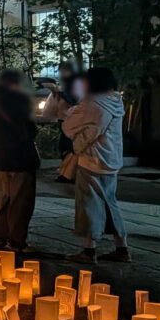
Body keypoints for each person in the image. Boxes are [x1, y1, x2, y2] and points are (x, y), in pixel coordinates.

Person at [63, 67, 130, 263]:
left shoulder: (92, 104)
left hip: (92, 159)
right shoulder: (115, 101)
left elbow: (68, 125)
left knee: (88, 205)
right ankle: (122, 248)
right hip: (111, 159)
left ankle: (89, 251)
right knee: (110, 203)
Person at [0, 70, 40, 253]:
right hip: (21, 160)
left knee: (3, 201)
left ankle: (0, 236)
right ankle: (16, 241)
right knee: (20, 203)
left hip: (2, 161)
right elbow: (29, 131)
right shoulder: (19, 102)